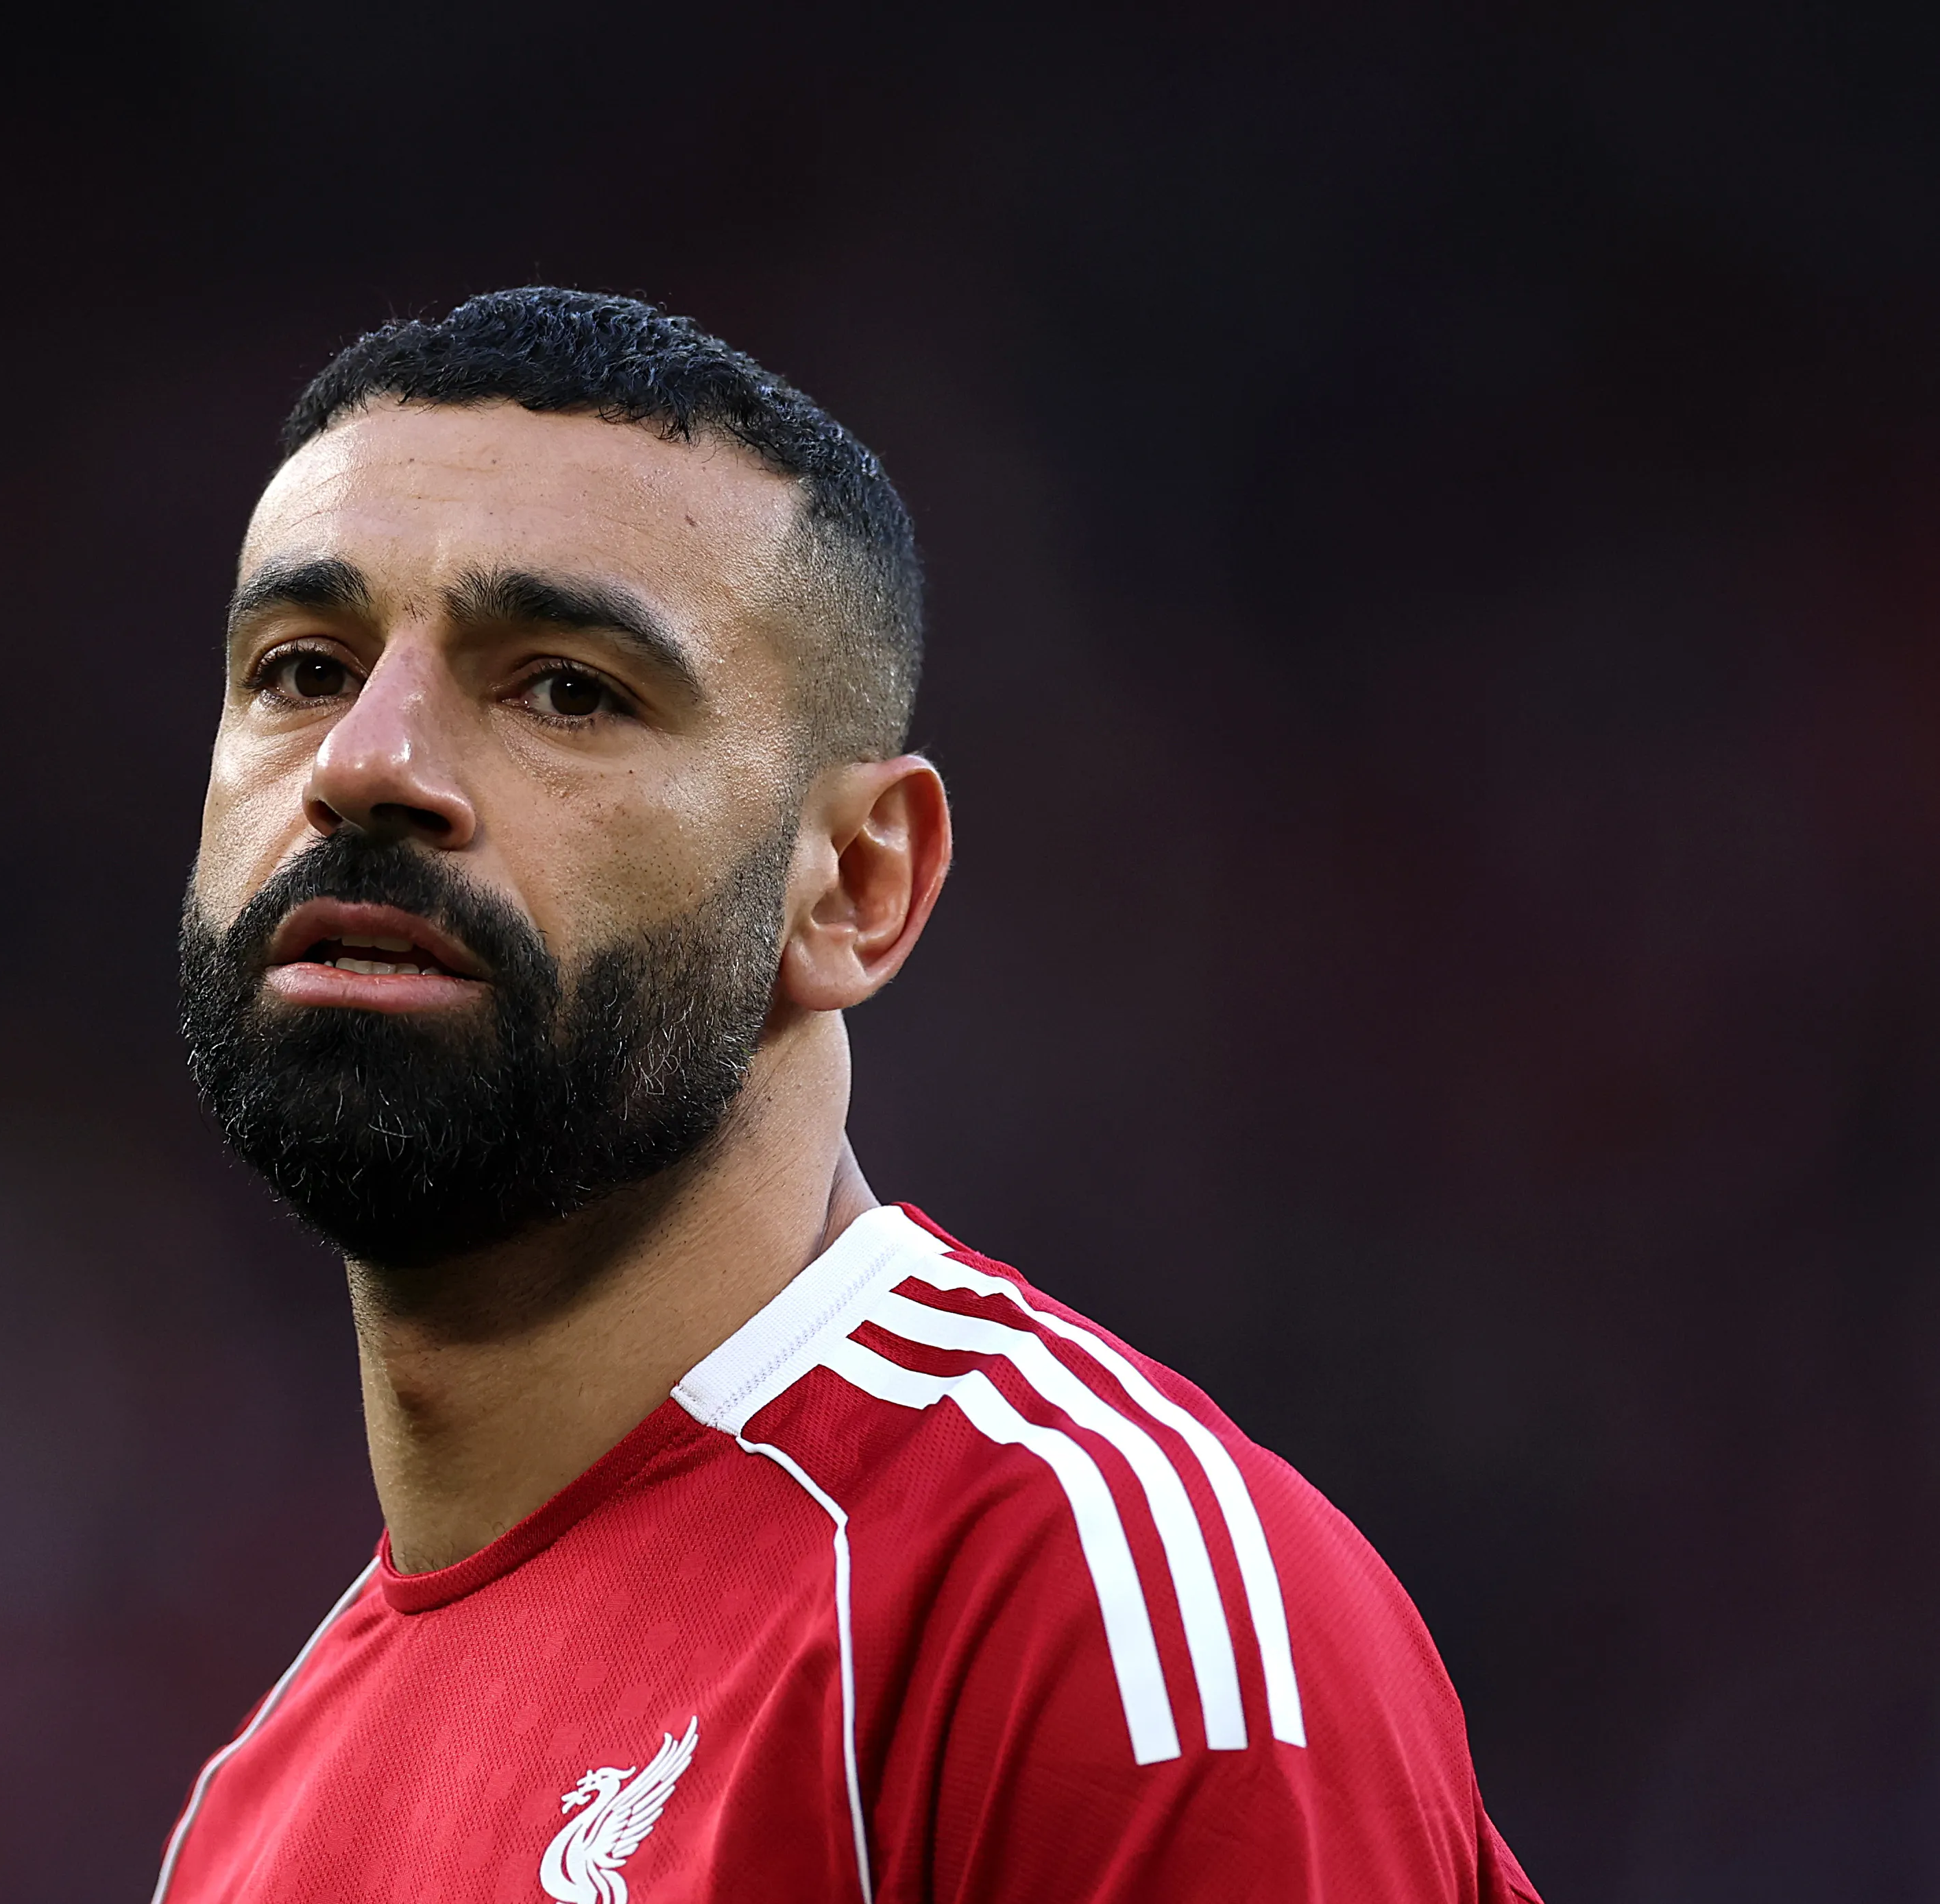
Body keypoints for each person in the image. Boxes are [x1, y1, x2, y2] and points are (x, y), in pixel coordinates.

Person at [158, 287, 1542, 1903]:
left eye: (566, 688)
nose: (368, 759)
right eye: (301, 665)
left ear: (857, 885)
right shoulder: (253, 1821)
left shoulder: (1080, 1613)